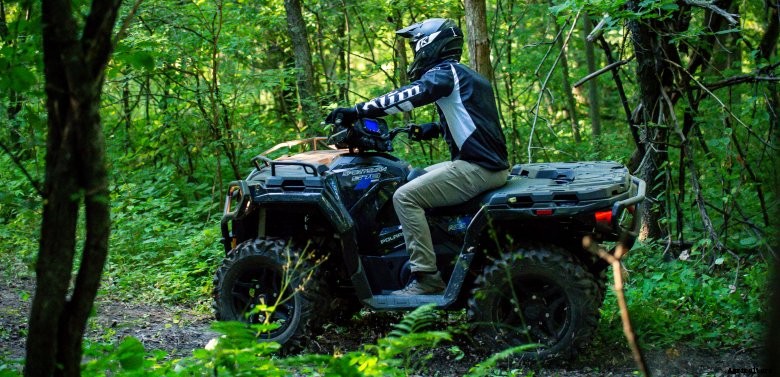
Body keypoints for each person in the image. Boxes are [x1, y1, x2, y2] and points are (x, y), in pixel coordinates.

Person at [326, 18, 509, 295]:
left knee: (405, 196)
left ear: (429, 43)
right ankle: (439, 248)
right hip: (486, 164)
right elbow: (475, 122)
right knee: (413, 175)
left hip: (477, 168)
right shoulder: (469, 76)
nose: (413, 51)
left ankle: (426, 278)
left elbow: (410, 95)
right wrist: (434, 128)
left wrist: (359, 110)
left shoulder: (444, 73)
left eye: (414, 45)